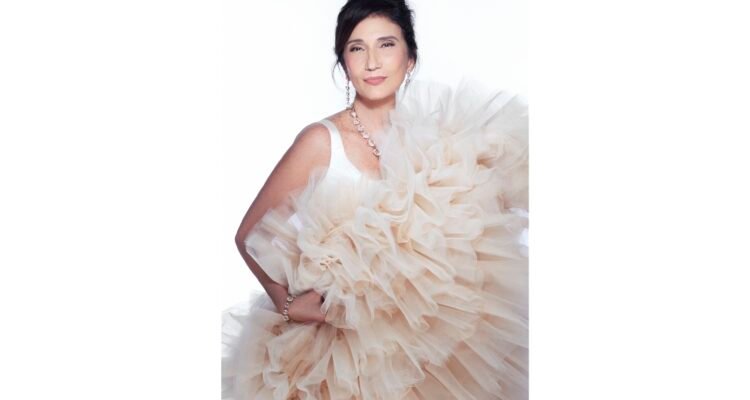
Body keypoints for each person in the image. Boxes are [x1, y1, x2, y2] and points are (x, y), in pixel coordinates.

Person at [222, 1, 529, 399]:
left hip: (424, 354)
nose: (372, 62)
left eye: (386, 45)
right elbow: (248, 234)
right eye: (357, 48)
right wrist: (286, 302)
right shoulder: (321, 142)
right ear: (343, 63)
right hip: (338, 360)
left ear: (410, 57)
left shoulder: (438, 143)